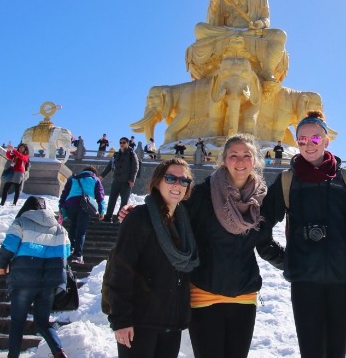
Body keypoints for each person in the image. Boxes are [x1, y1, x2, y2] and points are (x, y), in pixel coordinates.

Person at [120, 133, 284, 358]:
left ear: (254, 161)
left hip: (244, 295)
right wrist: (144, 213)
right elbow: (172, 214)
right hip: (204, 293)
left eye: (246, 155)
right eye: (233, 155)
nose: (240, 160)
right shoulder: (202, 195)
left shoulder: (261, 201)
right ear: (223, 159)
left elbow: (264, 244)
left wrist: (295, 264)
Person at [261, 111, 346, 358]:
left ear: (327, 141)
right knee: (311, 350)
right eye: (302, 140)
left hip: (341, 281)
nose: (309, 145)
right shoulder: (287, 181)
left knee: (336, 349)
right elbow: (261, 225)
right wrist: (285, 259)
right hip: (305, 282)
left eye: (316, 139)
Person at [109, 159, 199, 358]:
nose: (177, 184)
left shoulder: (184, 222)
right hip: (140, 321)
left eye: (184, 181)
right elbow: (121, 270)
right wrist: (121, 320)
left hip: (171, 323)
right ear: (158, 182)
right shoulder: (139, 217)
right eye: (170, 178)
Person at [0, 196, 70, 358]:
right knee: (43, 322)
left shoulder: (21, 222)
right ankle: (58, 351)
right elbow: (66, 253)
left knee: (18, 322)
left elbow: (8, 247)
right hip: (48, 283)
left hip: (24, 281)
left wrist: (1, 264)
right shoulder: (59, 228)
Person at [59, 166, 105, 264]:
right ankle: (77, 255)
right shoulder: (95, 180)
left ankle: (70, 249)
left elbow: (64, 193)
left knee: (73, 225)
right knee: (81, 231)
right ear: (94, 173)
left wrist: (61, 207)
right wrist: (101, 211)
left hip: (71, 205)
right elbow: (100, 197)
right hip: (85, 206)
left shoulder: (73, 178)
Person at [100, 137, 139, 223]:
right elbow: (110, 166)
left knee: (124, 202)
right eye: (120, 142)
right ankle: (108, 217)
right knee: (111, 200)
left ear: (128, 143)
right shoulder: (116, 154)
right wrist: (102, 176)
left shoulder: (132, 154)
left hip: (126, 182)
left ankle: (119, 218)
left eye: (124, 142)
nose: (122, 144)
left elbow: (135, 167)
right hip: (116, 181)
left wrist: (132, 179)